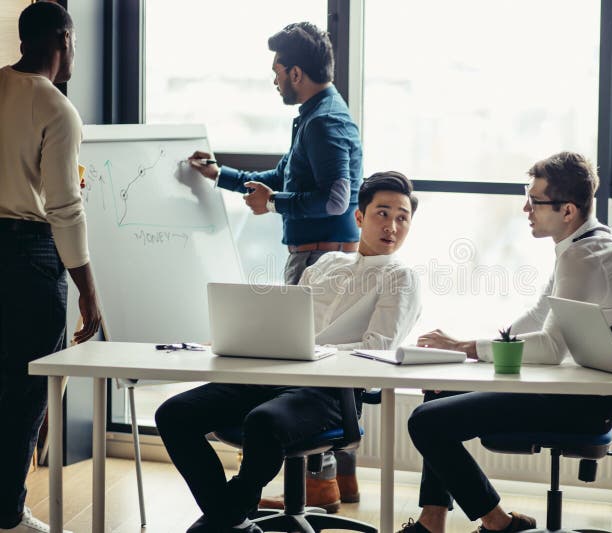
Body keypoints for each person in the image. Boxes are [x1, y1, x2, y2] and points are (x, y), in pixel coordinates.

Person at [155, 172, 421, 533]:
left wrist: (314, 352)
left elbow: (376, 349)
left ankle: (227, 515)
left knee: (263, 421)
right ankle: (234, 521)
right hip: (277, 375)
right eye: (383, 213)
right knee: (175, 413)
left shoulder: (400, 277)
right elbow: (289, 322)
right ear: (359, 218)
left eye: (402, 217)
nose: (392, 225)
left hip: (331, 391)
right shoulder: (325, 263)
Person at [398, 152, 612, 533]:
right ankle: (434, 522)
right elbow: (538, 315)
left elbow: (549, 349)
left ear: (567, 210)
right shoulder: (588, 241)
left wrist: (469, 350)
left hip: (579, 404)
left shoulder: (584, 257)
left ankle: (497, 524)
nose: (525, 208)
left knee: (424, 423)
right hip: (574, 387)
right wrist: (470, 350)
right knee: (437, 391)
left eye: (535, 200)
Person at [188, 21, 364, 507]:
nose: (273, 79)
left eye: (277, 71)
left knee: (304, 370)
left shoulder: (324, 120)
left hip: (320, 256)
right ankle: (336, 480)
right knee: (314, 364)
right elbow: (281, 178)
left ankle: (318, 481)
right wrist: (222, 174)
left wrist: (277, 204)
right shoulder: (315, 114)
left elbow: (335, 199)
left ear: (296, 71)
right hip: (318, 253)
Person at [0, 3, 102, 533]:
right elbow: (64, 208)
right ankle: (7, 512)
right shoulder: (57, 108)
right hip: (29, 255)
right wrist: (87, 289)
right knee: (27, 387)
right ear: (63, 39)